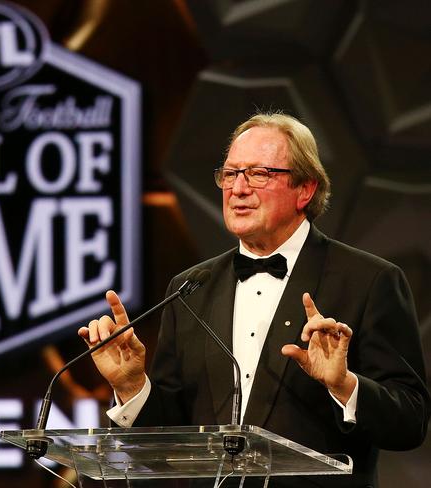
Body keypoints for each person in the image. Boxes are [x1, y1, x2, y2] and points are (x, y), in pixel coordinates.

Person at [78, 112, 430, 487]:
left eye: (259, 174)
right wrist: (132, 387)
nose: (238, 189)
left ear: (305, 189)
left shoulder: (369, 280)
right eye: (230, 174)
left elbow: (410, 421)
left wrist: (344, 385)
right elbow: (170, 437)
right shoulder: (190, 288)